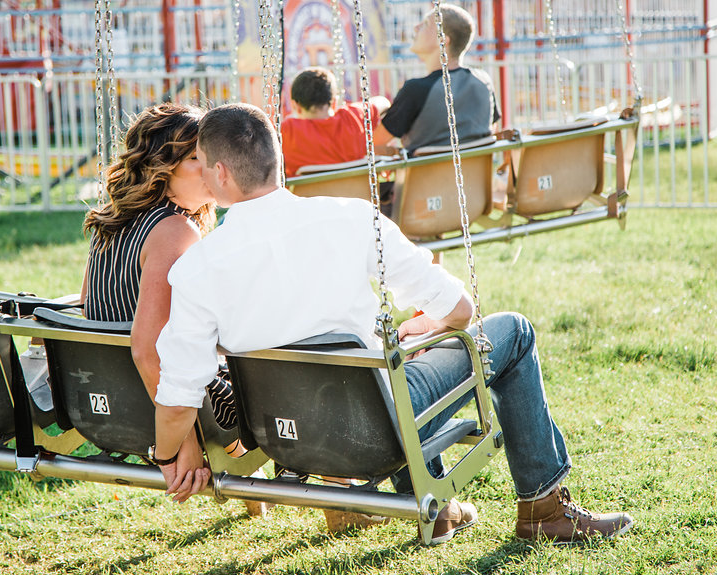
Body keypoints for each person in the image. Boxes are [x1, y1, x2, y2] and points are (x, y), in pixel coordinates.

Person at [151, 103, 634, 545]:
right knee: (512, 331)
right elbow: (459, 308)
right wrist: (428, 324)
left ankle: (440, 508)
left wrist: (172, 458)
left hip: (285, 441)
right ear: (276, 161)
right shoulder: (352, 218)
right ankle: (544, 509)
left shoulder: (196, 269)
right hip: (377, 429)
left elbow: (177, 399)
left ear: (219, 172)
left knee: (392, 368)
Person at [79, 102, 240, 450]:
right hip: (160, 400)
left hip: (109, 393)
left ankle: (256, 497)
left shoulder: (110, 221)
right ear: (163, 168)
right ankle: (333, 485)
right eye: (197, 159)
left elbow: (87, 308)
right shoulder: (175, 231)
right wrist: (183, 442)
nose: (214, 168)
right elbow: (147, 350)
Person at [374, 3, 500, 154]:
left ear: (443, 40)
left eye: (425, 24)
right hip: (474, 176)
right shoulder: (483, 82)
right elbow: (491, 130)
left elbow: (372, 144)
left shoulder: (416, 90)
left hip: (424, 177)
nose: (416, 27)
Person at [280, 67, 382, 178]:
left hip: (308, 195)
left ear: (296, 106)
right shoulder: (352, 118)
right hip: (355, 194)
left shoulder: (287, 131)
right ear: (334, 102)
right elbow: (383, 102)